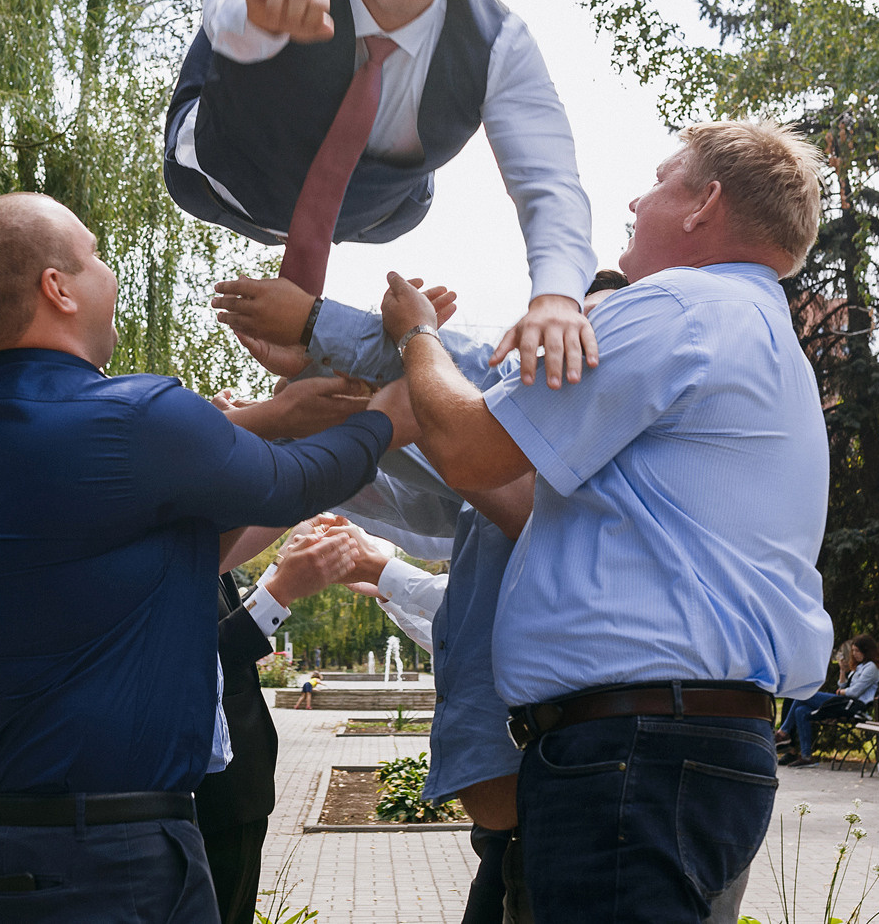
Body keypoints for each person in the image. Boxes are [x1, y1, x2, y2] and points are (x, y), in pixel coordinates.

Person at [372, 121, 833, 924]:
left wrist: (416, 336)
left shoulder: (680, 307)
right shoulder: (763, 335)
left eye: (660, 178)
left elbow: (474, 449)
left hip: (636, 758)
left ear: (704, 204)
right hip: (688, 748)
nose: (634, 199)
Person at [0, 193, 406, 924]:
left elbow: (179, 553)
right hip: (106, 860)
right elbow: (299, 481)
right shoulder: (133, 415)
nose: (109, 272)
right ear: (57, 286)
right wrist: (394, 410)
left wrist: (284, 418)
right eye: (94, 254)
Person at [225, 269, 632, 924]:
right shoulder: (520, 461)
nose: (554, 350)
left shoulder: (579, 465)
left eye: (586, 334)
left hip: (571, 824)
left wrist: (390, 340)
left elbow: (460, 426)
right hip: (518, 841)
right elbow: (407, 475)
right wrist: (309, 395)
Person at [165, 0, 599, 391]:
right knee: (227, 37)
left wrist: (558, 295)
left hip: (374, 210)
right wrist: (254, 9)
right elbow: (229, 1)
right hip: (222, 175)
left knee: (415, 183)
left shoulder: (500, 42)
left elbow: (550, 181)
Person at [197, 521, 364, 924]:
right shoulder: (170, 541)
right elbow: (195, 660)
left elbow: (222, 627)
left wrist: (282, 569)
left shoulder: (203, 544)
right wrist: (280, 590)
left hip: (236, 795)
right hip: (211, 797)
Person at [777, 636, 879, 767]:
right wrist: (842, 671)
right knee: (801, 711)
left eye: (857, 651)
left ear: (867, 651)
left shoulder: (871, 667)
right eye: (853, 651)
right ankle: (806, 756)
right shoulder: (861, 666)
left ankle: (783, 732)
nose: (854, 654)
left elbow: (854, 692)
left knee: (803, 695)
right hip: (845, 702)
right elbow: (843, 686)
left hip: (853, 706)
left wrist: (840, 692)